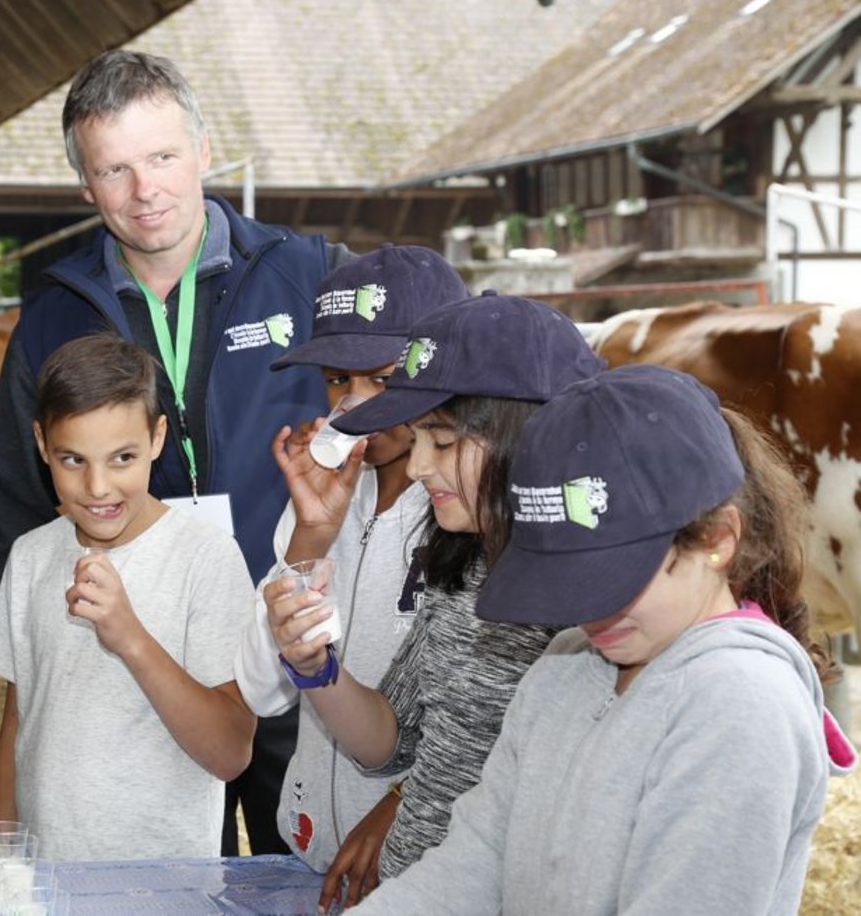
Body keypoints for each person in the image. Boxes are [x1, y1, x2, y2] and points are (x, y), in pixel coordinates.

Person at [0, 48, 350, 854]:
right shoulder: (52, 316)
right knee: (176, 864)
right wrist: (49, 641)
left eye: (162, 157)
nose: (145, 191)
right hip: (146, 663)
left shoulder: (310, 277)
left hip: (289, 634)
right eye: (114, 169)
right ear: (85, 185)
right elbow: (16, 495)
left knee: (308, 868)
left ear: (204, 151)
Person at [353, 364, 857, 914]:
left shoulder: (739, 704)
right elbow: (474, 863)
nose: (589, 607)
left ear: (716, 539)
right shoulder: (564, 663)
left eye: (614, 577)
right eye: (568, 578)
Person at [266, 294, 605, 904]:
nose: (420, 466)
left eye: (443, 443)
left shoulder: (601, 609)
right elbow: (393, 740)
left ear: (527, 436)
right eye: (419, 438)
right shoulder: (467, 559)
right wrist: (316, 667)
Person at [233, 245, 468, 903]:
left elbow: (491, 713)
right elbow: (260, 690)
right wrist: (311, 536)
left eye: (384, 380)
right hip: (314, 852)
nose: (356, 404)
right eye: (339, 380)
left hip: (429, 864)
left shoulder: (467, 508)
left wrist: (406, 798)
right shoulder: (325, 490)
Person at [0, 333, 256, 860]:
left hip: (165, 886)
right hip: (47, 879)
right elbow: (18, 721)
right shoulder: (31, 556)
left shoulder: (207, 557)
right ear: (41, 445)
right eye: (72, 460)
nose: (99, 487)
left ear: (157, 438)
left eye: (122, 457)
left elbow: (230, 752)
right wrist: (3, 857)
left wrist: (130, 637)